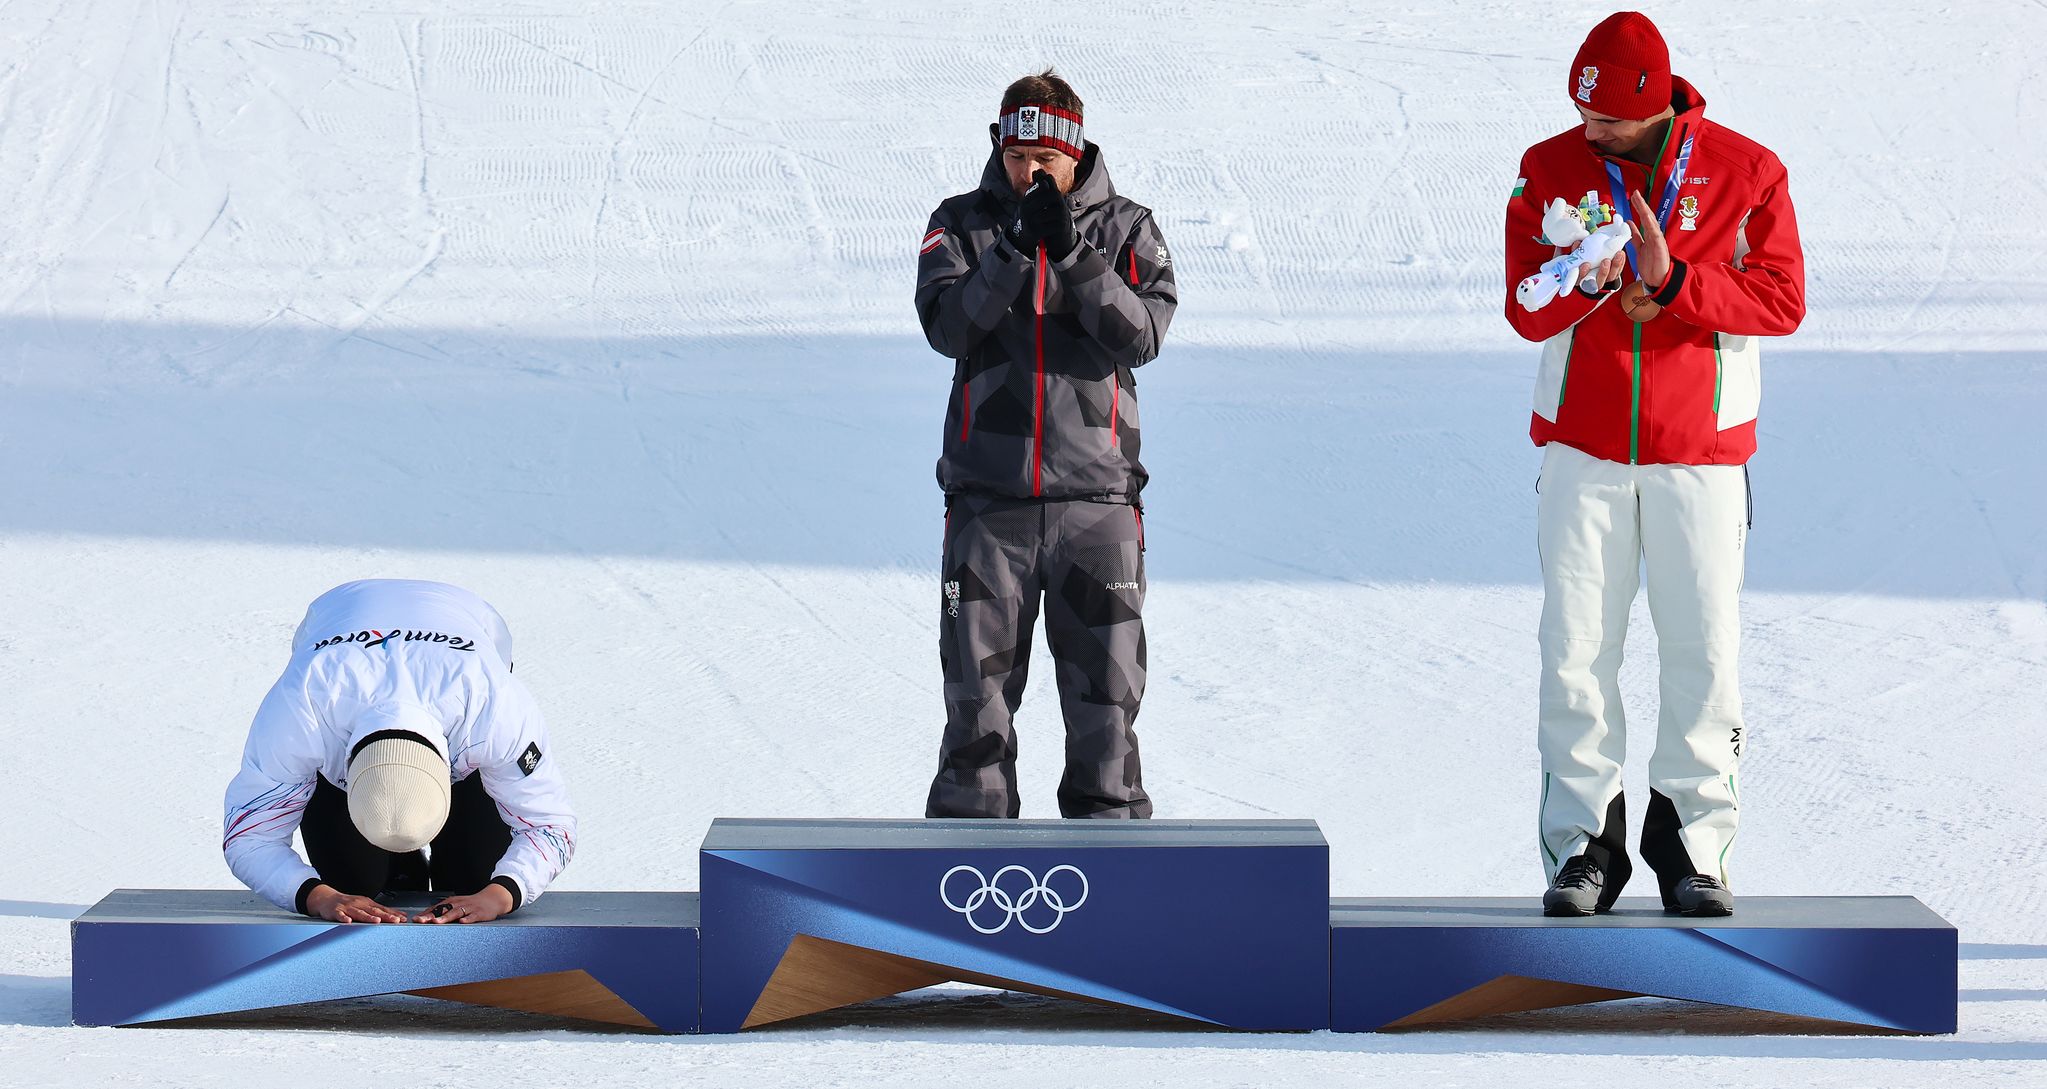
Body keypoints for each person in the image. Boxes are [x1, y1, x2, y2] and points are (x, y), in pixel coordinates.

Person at [1504, 12, 1806, 916]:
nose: (1586, 130)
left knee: (1702, 654)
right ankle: (1581, 849)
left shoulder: (1747, 171)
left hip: (1700, 454)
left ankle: (1693, 846)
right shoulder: (1548, 167)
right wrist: (1583, 283)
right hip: (1581, 448)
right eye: (1580, 112)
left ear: (1651, 106)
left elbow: (1781, 298)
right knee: (1574, 652)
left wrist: (1675, 283)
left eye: (1606, 120)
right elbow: (1524, 309)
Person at [916, 69, 1178, 819]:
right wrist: (1010, 249)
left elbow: (1142, 331)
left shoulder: (1127, 227)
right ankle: (965, 885)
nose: (1029, 173)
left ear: (1075, 154)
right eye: (1015, 156)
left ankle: (1114, 888)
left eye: (1045, 160)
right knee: (976, 711)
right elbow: (948, 327)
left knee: (1106, 712)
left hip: (1096, 507)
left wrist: (1069, 253)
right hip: (988, 506)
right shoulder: (959, 222)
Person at [222, 579, 575, 923]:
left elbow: (549, 825)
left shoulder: (493, 710)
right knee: (351, 885)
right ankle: (400, 867)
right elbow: (249, 836)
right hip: (337, 616)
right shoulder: (299, 715)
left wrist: (500, 895)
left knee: (475, 877)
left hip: (466, 616)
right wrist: (319, 896)